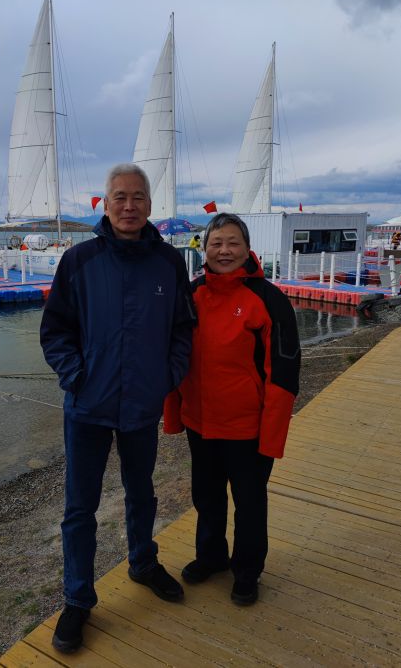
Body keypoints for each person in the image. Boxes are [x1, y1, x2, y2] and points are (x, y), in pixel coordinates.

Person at [40, 163, 195, 653]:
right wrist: (76, 376)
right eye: (120, 197)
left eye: (138, 197)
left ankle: (143, 562)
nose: (129, 206)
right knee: (79, 508)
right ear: (105, 204)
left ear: (150, 204)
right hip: (87, 406)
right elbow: (55, 330)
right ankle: (78, 599)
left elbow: (183, 329)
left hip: (142, 406)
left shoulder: (168, 263)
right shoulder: (79, 260)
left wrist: (166, 378)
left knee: (142, 492)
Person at [163, 213, 301, 606]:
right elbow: (173, 356)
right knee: (206, 496)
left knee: (249, 502)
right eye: (216, 243)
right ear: (204, 249)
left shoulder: (268, 299)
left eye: (233, 243)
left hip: (248, 428)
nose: (224, 251)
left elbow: (284, 372)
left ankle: (247, 571)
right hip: (201, 423)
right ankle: (211, 556)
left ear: (247, 248)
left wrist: (272, 435)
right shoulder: (191, 295)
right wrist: (173, 414)